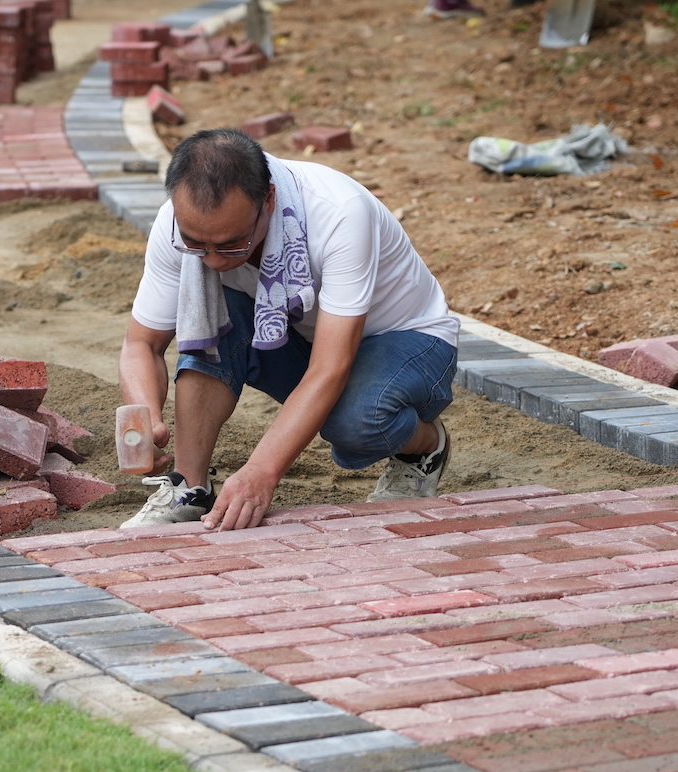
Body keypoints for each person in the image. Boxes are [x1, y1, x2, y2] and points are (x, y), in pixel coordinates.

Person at [117, 128, 461, 532]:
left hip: (406, 341)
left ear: (269, 201)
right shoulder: (176, 227)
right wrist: (144, 418)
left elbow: (330, 367)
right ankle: (189, 487)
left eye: (231, 245)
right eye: (197, 245)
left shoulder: (338, 213)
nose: (211, 261)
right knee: (212, 311)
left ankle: (425, 446)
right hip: (303, 339)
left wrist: (261, 472)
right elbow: (141, 343)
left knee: (354, 420)